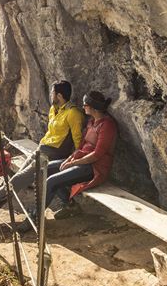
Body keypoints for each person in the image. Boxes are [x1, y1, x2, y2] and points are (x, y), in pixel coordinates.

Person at [0, 80, 84, 226]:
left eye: (53, 92)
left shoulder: (73, 113)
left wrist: (75, 163)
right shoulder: (54, 109)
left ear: (59, 95)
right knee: (17, 179)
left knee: (18, 181)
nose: (51, 95)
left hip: (53, 155)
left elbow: (78, 140)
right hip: (42, 150)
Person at [18, 90, 117, 230]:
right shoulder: (91, 122)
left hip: (95, 167)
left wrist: (73, 163)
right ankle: (70, 206)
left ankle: (34, 218)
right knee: (46, 169)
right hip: (82, 161)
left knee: (51, 181)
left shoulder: (107, 125)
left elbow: (97, 155)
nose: (83, 108)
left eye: (85, 105)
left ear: (93, 107)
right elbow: (81, 146)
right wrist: (69, 159)